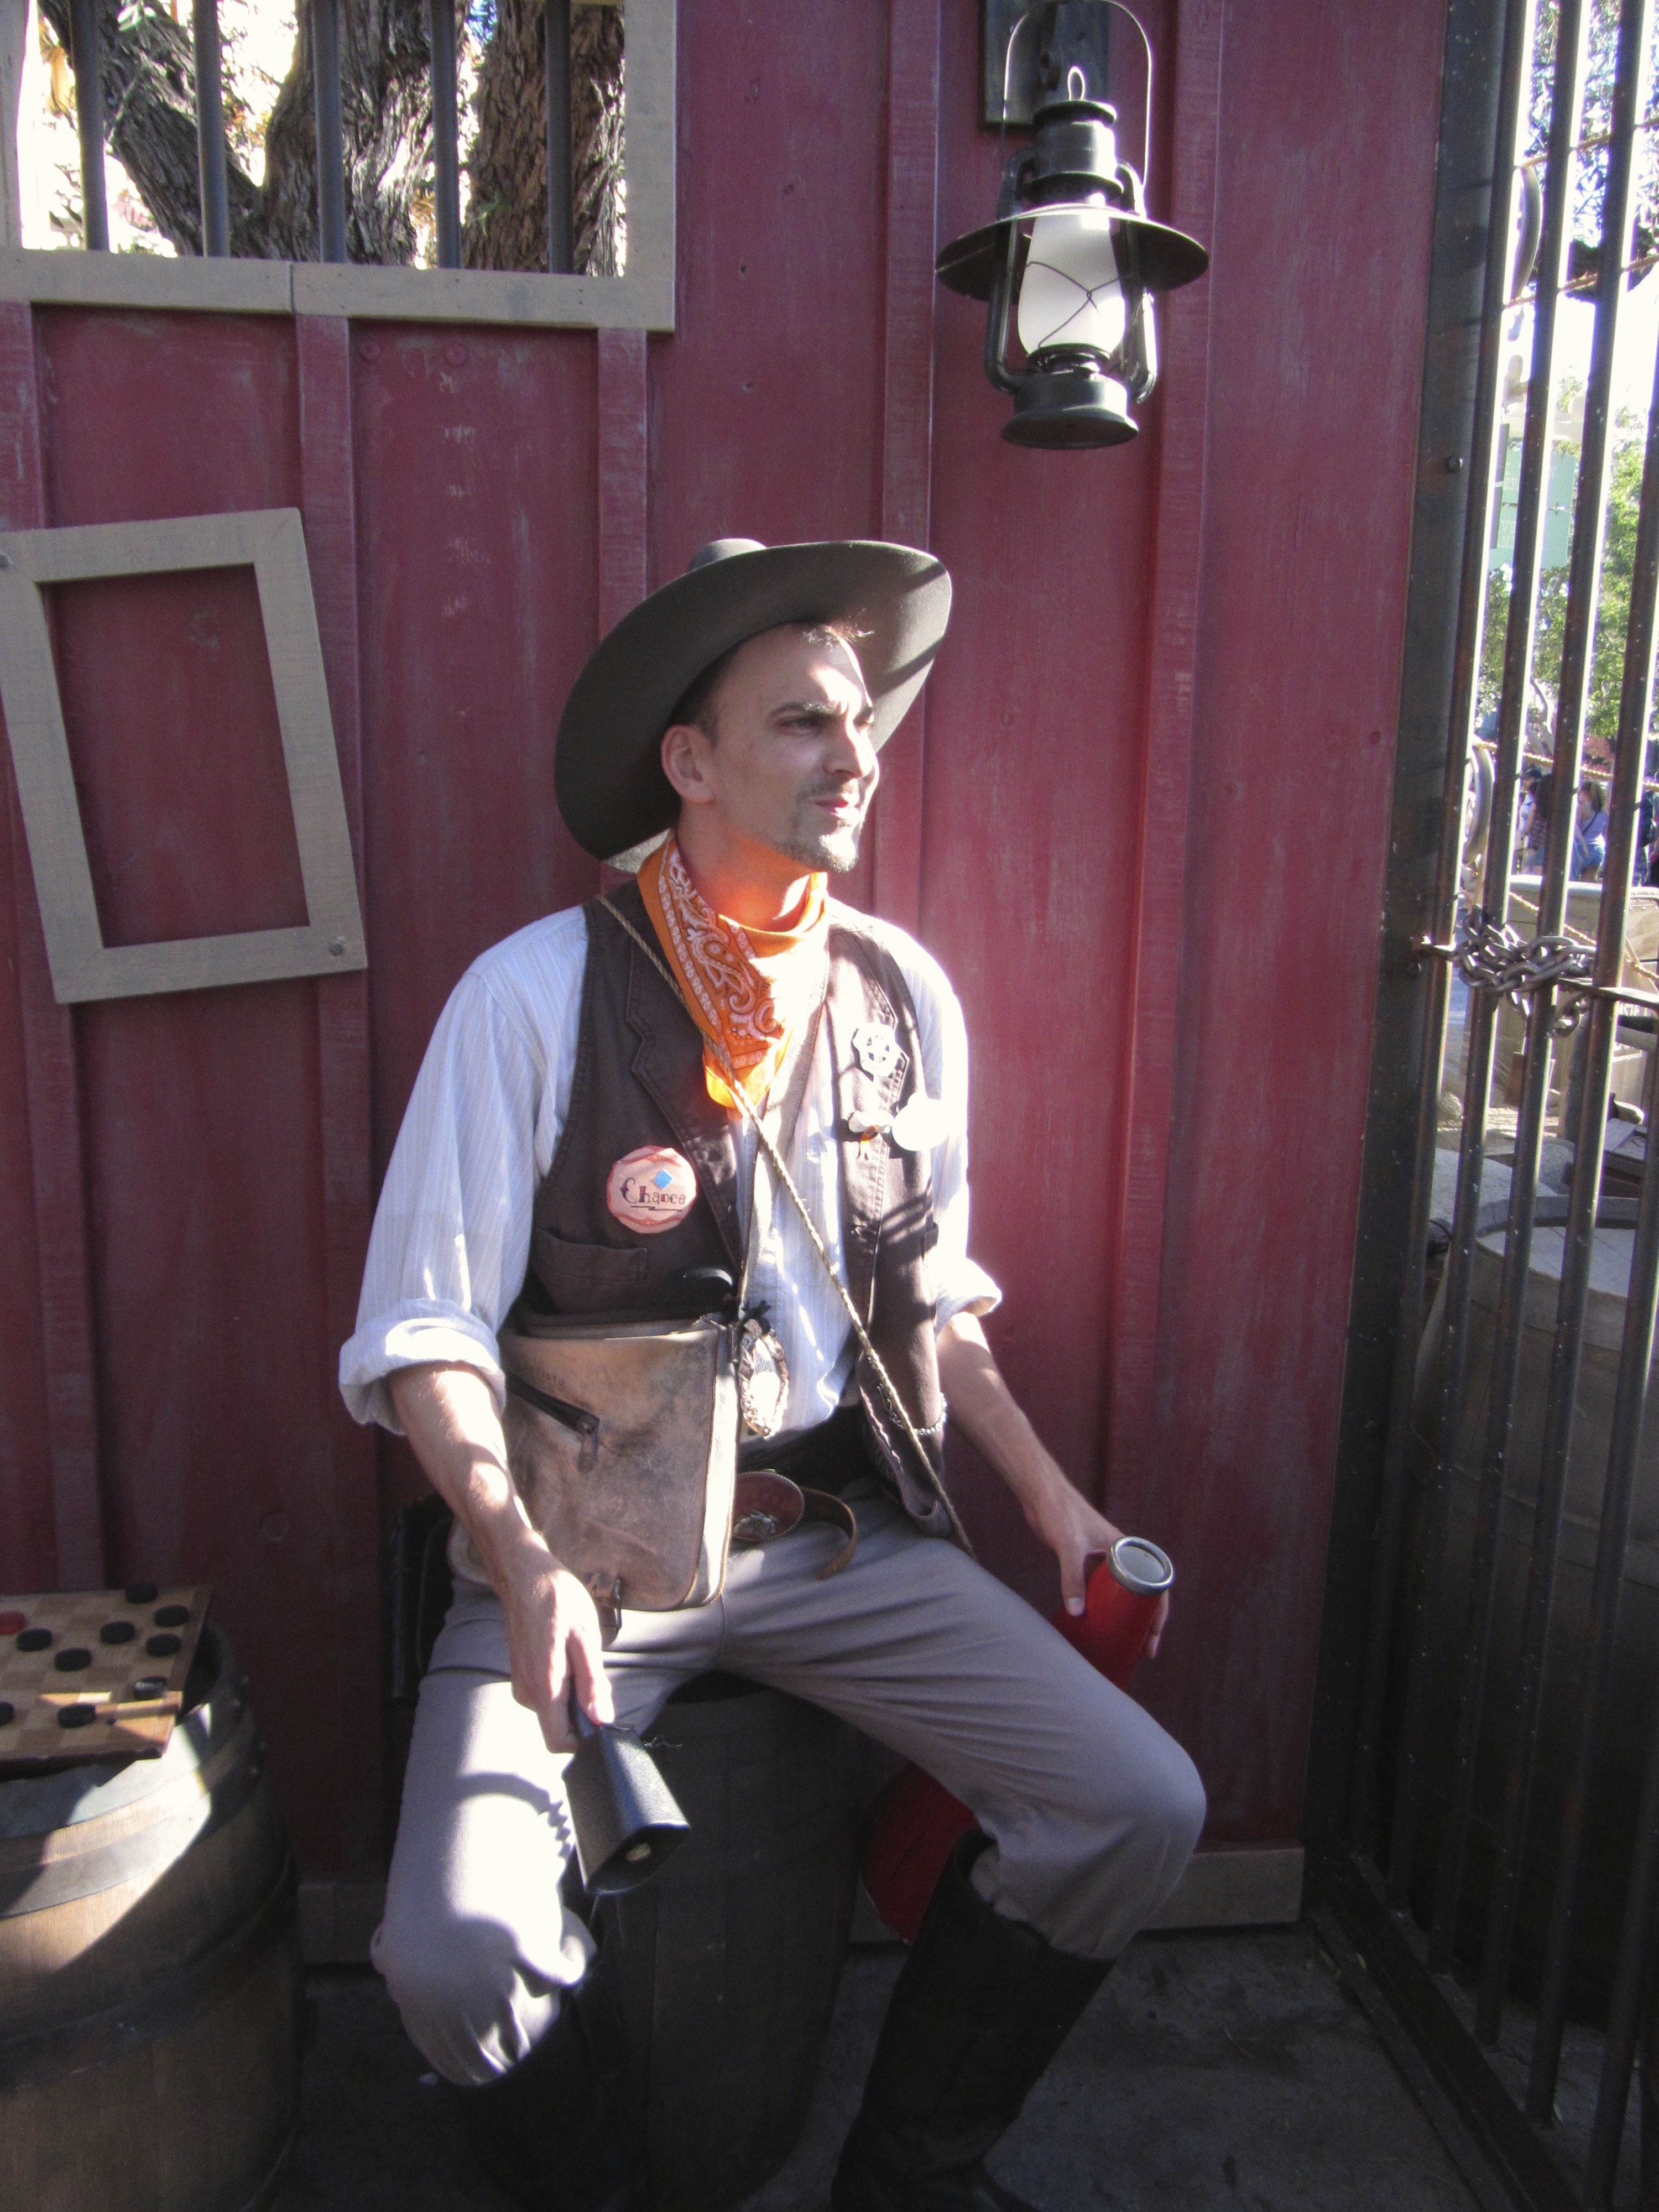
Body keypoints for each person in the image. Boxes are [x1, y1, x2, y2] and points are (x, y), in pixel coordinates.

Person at [341, 537, 1206, 2212]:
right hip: (586, 1558)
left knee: (1134, 1803)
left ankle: (907, 2175)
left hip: (839, 1543)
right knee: (451, 1954)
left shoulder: (900, 993)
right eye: (805, 721)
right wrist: (515, 1553)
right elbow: (422, 1333)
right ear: (690, 760)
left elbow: (935, 1300)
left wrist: (1052, 1499)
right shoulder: (531, 996)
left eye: (860, 718)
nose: (854, 752)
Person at [1573, 776, 1609, 880]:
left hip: (1583, 848)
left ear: (1585, 794)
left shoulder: (1583, 808)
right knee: (1587, 884)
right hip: (1599, 850)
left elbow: (1576, 829)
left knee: (1573, 882)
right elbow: (1605, 833)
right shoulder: (1604, 811)